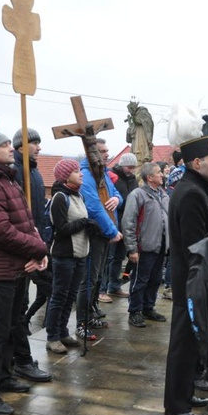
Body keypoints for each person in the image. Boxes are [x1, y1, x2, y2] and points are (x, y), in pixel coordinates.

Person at [0, 130, 51, 415]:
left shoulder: (7, 178)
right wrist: (38, 249)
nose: (9, 148)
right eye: (4, 145)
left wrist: (32, 252)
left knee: (9, 328)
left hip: (15, 268)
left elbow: (25, 223)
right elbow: (2, 232)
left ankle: (3, 378)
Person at [163, 104, 208, 415]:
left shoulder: (195, 188)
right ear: (197, 162)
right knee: (183, 345)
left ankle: (184, 394)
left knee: (190, 343)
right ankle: (175, 405)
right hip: (190, 281)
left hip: (190, 280)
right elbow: (199, 247)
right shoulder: (192, 193)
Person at [75, 138, 123, 340]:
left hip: (105, 234)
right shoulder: (86, 175)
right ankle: (81, 322)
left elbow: (116, 193)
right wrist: (112, 231)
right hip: (95, 235)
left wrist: (116, 199)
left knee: (97, 278)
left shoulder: (102, 173)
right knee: (88, 280)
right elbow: (94, 208)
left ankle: (91, 314)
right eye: (102, 151)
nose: (106, 154)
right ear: (91, 154)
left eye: (107, 150)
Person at [43, 159, 93, 353]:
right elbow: (62, 229)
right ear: (66, 176)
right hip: (64, 255)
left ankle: (63, 332)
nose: (81, 174)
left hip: (80, 254)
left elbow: (81, 223)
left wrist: (90, 227)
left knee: (70, 295)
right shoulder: (60, 198)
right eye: (76, 171)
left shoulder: (78, 196)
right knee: (59, 296)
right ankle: (52, 337)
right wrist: (85, 223)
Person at [11, 128, 53, 334]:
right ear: (21, 145)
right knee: (19, 300)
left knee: (29, 297)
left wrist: (42, 242)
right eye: (35, 143)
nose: (39, 147)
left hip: (35, 241)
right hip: (21, 245)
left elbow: (38, 213)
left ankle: (22, 342)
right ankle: (15, 351)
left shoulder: (34, 172)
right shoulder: (15, 170)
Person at [122, 163, 169, 328]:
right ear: (149, 177)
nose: (162, 175)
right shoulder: (138, 195)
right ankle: (134, 311)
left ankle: (148, 308)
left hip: (161, 246)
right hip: (145, 246)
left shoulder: (163, 194)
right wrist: (132, 248)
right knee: (139, 280)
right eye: (158, 173)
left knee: (155, 279)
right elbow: (129, 222)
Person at [99, 152, 138, 303]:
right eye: (129, 167)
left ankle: (114, 286)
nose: (132, 170)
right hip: (114, 221)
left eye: (134, 167)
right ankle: (101, 289)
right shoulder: (112, 177)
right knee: (108, 258)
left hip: (127, 223)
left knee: (119, 257)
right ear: (122, 165)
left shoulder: (133, 180)